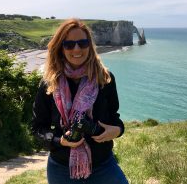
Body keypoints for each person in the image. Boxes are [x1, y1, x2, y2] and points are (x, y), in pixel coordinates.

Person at [31, 18, 129, 184]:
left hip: (103, 165)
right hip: (62, 168)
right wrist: (60, 141)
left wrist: (117, 131)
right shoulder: (49, 83)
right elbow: (37, 128)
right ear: (61, 48)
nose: (77, 49)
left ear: (89, 46)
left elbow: (115, 118)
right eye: (69, 44)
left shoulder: (105, 79)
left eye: (82, 43)